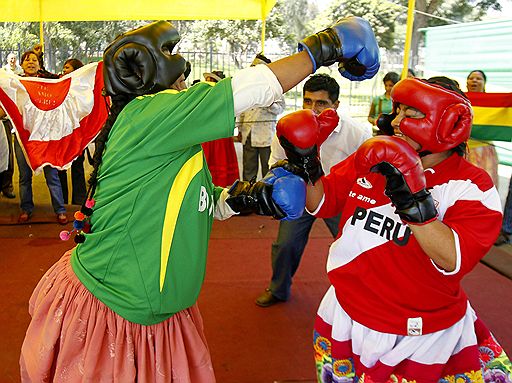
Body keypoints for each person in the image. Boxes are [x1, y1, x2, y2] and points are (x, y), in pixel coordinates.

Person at [19, 18, 380, 381]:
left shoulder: (172, 140)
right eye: (172, 63)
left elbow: (201, 199)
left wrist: (251, 198)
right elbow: (250, 88)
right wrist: (325, 46)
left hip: (154, 310)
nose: (184, 76)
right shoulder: (148, 115)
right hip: (117, 306)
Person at [277, 76, 512, 381]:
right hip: (346, 312)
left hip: (418, 332)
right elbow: (322, 202)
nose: (398, 121)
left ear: (448, 122)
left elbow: (453, 259)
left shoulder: (471, 185)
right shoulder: (373, 158)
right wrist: (304, 160)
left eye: (412, 113)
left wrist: (412, 196)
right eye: (398, 110)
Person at [255, 73, 372, 307]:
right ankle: (278, 289)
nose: (313, 108)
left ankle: (363, 295)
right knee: (285, 244)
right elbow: (275, 163)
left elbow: (367, 174)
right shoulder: (288, 128)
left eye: (321, 103)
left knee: (357, 245)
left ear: (336, 105)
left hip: (339, 198)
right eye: (308, 101)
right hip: (301, 195)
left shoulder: (357, 133)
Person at [3, 50, 68, 224]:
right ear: (21, 64)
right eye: (26, 60)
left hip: (45, 136)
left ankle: (60, 210)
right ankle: (26, 209)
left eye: (34, 60)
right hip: (22, 136)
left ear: (39, 64)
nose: (30, 63)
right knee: (24, 176)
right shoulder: (15, 83)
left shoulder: (47, 82)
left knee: (51, 174)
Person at [236, 53, 285, 181]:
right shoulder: (247, 87)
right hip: (248, 133)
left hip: (265, 135)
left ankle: (267, 195)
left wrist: (268, 102)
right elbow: (242, 110)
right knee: (248, 168)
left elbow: (280, 108)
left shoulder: (274, 88)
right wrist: (240, 130)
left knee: (267, 168)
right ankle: (247, 194)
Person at [201, 70, 240, 187]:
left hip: (219, 138)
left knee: (219, 161)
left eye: (210, 80)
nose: (207, 82)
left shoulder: (225, 99)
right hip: (207, 137)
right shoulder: (203, 98)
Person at [57, 58, 88, 205]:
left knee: (77, 168)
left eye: (67, 67)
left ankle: (78, 201)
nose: (64, 70)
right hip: (61, 134)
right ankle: (61, 200)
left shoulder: (83, 87)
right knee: (60, 168)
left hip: (77, 134)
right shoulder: (58, 84)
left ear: (76, 70)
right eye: (64, 67)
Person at [465, 70, 500, 187]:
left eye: (478, 79)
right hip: (462, 151)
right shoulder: (460, 98)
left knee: (483, 185)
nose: (474, 80)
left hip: (483, 150)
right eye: (471, 78)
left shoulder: (493, 103)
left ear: (484, 83)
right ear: (467, 82)